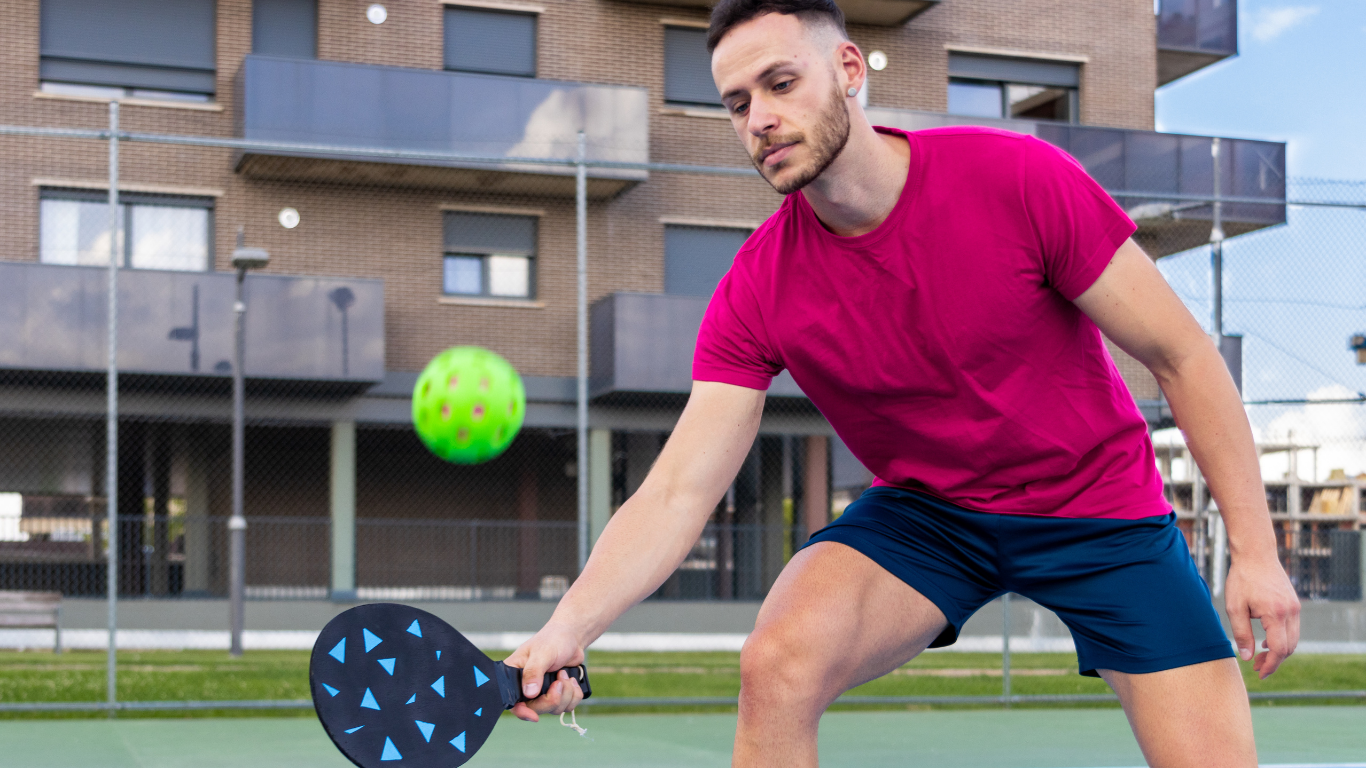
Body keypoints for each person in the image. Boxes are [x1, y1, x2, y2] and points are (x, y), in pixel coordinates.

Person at [504, 1, 1301, 765]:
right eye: (738, 103)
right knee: (776, 664)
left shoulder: (1017, 179)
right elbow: (678, 490)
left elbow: (1183, 356)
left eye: (781, 84)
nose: (760, 119)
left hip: (1096, 506)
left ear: (848, 69)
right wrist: (571, 626)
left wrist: (1257, 555)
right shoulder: (759, 287)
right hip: (931, 517)